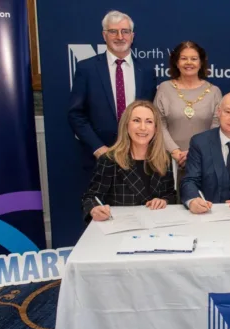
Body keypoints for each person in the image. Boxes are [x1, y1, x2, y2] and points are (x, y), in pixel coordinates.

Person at [68, 10, 156, 176]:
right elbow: (76, 114)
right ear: (104, 35)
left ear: (132, 35)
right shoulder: (86, 69)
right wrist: (98, 149)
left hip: (139, 157)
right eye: (113, 31)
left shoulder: (146, 70)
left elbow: (151, 113)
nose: (120, 37)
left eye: (125, 31)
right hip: (99, 158)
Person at [82, 100, 175, 222]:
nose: (143, 127)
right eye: (136, 120)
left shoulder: (164, 158)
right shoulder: (109, 159)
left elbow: (171, 194)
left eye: (149, 122)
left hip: (156, 227)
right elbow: (91, 197)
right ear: (126, 125)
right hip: (120, 227)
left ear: (156, 128)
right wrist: (95, 209)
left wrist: (164, 201)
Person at [155, 41, 222, 169]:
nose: (189, 63)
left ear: (201, 62)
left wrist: (195, 154)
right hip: (169, 160)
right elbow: (159, 124)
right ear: (176, 62)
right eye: (184, 58)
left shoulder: (214, 91)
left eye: (194, 59)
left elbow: (216, 127)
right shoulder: (164, 88)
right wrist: (175, 152)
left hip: (205, 160)